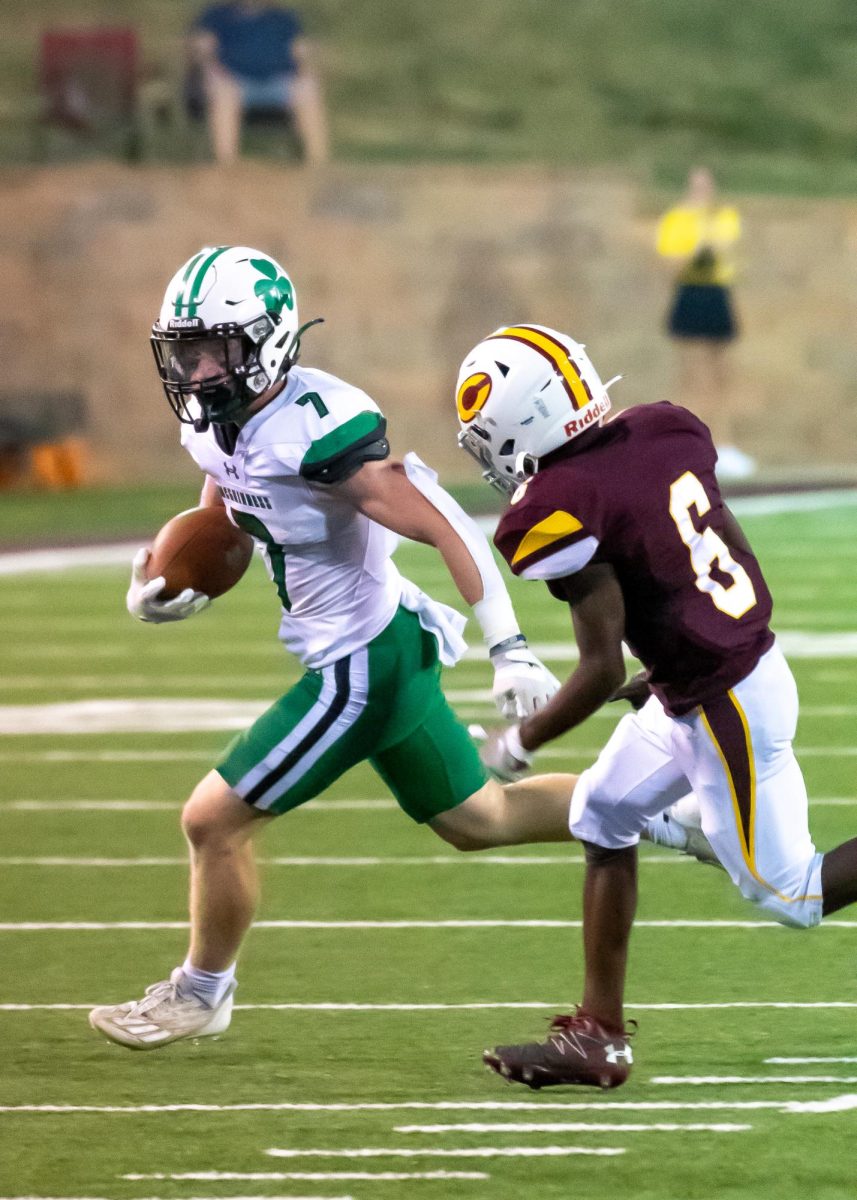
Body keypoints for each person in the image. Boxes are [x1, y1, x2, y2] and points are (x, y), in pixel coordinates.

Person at [87, 249, 705, 1053]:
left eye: (217, 349)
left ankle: (202, 992)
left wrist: (508, 647)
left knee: (211, 820)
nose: (198, 369)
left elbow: (444, 524)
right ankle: (666, 815)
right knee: (479, 817)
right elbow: (229, 498)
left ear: (268, 342)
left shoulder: (320, 430)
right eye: (187, 350)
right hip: (380, 648)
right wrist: (178, 580)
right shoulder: (218, 425)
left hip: (360, 668)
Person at [455, 322, 857, 1090]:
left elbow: (596, 666)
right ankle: (597, 1037)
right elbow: (713, 544)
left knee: (791, 895)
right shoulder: (661, 429)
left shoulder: (560, 505)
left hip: (724, 702)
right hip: (703, 680)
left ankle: (606, 1019)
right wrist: (681, 647)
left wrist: (518, 743)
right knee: (600, 814)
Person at [656, 167, 753, 481]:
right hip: (690, 292)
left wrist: (711, 238)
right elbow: (670, 264)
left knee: (722, 374)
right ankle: (687, 444)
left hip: (716, 294)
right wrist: (695, 247)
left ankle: (724, 444)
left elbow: (731, 253)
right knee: (691, 374)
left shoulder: (724, 217)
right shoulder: (677, 220)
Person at [188, 1, 329, 165]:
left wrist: (306, 71)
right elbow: (202, 49)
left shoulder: (283, 17)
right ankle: (227, 164)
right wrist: (210, 70)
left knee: (307, 88)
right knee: (223, 91)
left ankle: (318, 163)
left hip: (278, 81)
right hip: (234, 82)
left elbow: (300, 51)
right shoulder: (218, 15)